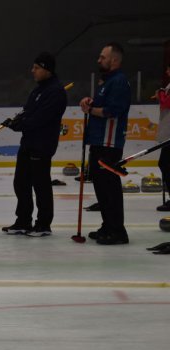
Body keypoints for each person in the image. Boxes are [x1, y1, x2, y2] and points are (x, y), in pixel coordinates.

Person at [1, 52, 67, 236]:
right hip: (28, 142)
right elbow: (28, 111)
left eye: (36, 68)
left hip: (42, 145)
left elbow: (41, 118)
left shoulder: (55, 92)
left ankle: (43, 224)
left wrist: (21, 124)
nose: (33, 71)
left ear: (47, 69)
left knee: (40, 184)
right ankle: (23, 221)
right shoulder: (38, 90)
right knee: (20, 182)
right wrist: (15, 121)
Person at [80, 42, 131, 244]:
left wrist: (90, 111)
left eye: (103, 57)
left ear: (114, 60)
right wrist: (89, 103)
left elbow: (112, 111)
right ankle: (108, 225)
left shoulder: (118, 81)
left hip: (109, 143)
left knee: (109, 187)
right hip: (99, 141)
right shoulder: (107, 81)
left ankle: (118, 230)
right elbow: (101, 106)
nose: (99, 60)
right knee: (101, 186)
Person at [154, 64, 170, 211]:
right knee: (165, 164)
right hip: (167, 132)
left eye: (168, 69)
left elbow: (167, 102)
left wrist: (160, 94)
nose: (166, 71)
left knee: (165, 163)